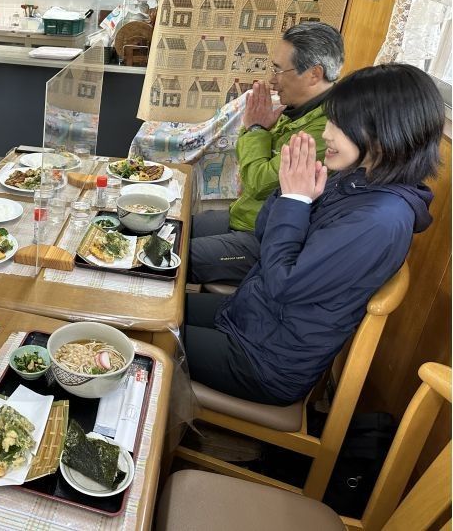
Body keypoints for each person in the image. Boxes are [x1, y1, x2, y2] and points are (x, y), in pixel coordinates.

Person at [182, 63, 443, 406]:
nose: (327, 134)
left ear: (386, 132)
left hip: (263, 361)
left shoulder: (379, 220)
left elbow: (283, 284)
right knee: (156, 302)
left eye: (340, 124)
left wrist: (295, 200)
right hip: (251, 317)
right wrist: (291, 194)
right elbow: (265, 236)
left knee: (144, 331)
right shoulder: (357, 179)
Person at [189, 22, 344, 285]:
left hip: (265, 241)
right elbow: (248, 164)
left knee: (168, 256)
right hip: (248, 217)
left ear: (314, 74)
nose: (272, 80)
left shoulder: (324, 131)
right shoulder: (300, 109)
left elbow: (258, 183)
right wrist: (254, 129)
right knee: (174, 227)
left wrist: (257, 129)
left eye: (279, 70)